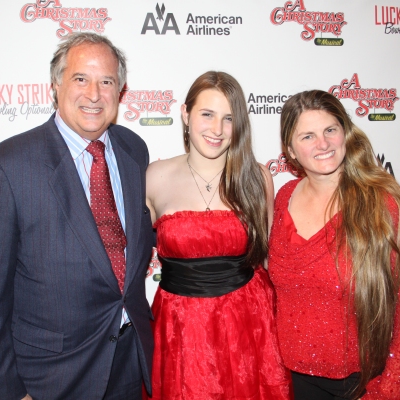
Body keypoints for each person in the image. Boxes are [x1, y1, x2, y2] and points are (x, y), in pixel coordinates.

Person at [0, 33, 154, 400]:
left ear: (121, 90)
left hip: (130, 365)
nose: (94, 94)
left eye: (107, 81)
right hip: (51, 379)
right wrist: (8, 394)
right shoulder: (5, 167)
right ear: (56, 84)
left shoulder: (134, 150)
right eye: (81, 79)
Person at [268, 90, 400, 400]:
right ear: (289, 149)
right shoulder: (283, 197)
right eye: (308, 136)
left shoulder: (384, 204)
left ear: (345, 132)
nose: (323, 144)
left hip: (360, 382)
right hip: (290, 380)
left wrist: (391, 390)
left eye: (330, 130)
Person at [145, 71, 292, 400]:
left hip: (248, 326)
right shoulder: (153, 177)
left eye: (228, 118)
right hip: (179, 328)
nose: (217, 129)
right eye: (207, 114)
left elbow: (271, 262)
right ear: (185, 114)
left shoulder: (257, 177)